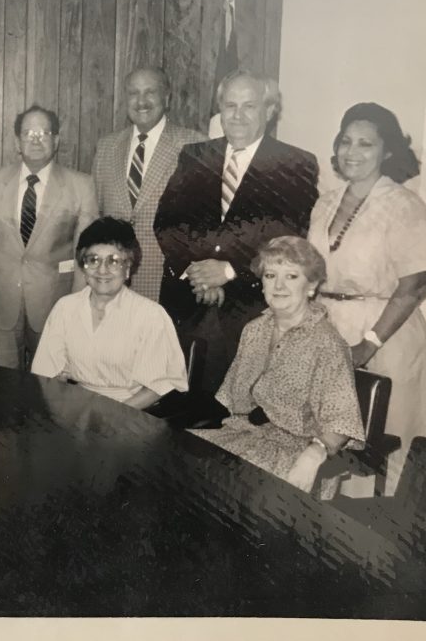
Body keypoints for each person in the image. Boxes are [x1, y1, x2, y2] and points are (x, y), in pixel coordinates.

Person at [154, 69, 319, 414]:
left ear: (269, 110)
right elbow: (169, 222)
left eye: (249, 106)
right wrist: (197, 271)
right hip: (187, 303)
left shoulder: (295, 163)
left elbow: (287, 234)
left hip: (248, 310)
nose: (238, 115)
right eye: (230, 106)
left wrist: (228, 271)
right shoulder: (194, 155)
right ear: (220, 110)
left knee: (235, 417)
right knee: (175, 412)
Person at [307, 103, 426, 495]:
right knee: (324, 443)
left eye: (365, 144)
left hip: (384, 335)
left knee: (378, 453)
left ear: (387, 151)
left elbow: (413, 287)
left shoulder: (404, 205)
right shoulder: (325, 201)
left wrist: (369, 344)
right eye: (345, 141)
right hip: (329, 329)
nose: (352, 152)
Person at [193, 237, 365, 498]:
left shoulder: (327, 343)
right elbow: (233, 402)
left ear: (312, 286)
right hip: (244, 437)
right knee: (173, 457)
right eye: (271, 275)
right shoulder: (254, 330)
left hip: (295, 453)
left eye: (292, 276)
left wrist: (313, 454)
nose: (279, 286)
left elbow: (340, 423)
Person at [0, 104, 98, 369]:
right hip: (1, 303)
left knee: (51, 389)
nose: (35, 139)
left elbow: (86, 254)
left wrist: (76, 306)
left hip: (55, 304)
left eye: (44, 132)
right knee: (2, 391)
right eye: (28, 132)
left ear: (56, 140)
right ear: (17, 142)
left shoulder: (81, 185)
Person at [31, 217, 187, 409]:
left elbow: (157, 388)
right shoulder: (65, 308)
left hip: (133, 410)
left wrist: (113, 416)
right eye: (93, 260)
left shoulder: (150, 315)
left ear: (128, 268)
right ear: (83, 267)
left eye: (113, 261)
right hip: (76, 407)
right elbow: (47, 375)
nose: (102, 270)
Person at [93, 67, 207, 301]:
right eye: (134, 93)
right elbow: (97, 216)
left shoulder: (194, 145)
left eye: (150, 92)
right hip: (113, 281)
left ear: (167, 98)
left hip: (169, 282)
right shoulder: (106, 147)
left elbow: (206, 222)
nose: (141, 101)